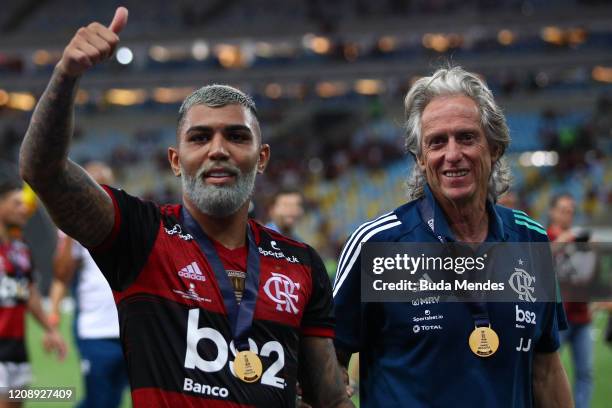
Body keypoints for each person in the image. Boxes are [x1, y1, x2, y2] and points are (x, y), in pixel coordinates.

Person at [19, 7, 352, 408]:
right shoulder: (142, 235)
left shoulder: (302, 264)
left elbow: (329, 399)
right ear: (176, 160)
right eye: (200, 137)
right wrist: (66, 75)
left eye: (235, 136)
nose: (217, 150)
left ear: (261, 158)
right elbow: (43, 172)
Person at [332, 66, 572, 407]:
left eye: (467, 137)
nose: (452, 154)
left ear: (495, 148)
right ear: (419, 159)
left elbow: (545, 370)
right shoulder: (378, 244)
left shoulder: (530, 240)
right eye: (437, 142)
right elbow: (326, 357)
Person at [48, 161, 128, 408]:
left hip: (129, 329)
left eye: (103, 183)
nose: (98, 191)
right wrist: (72, 230)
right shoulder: (75, 229)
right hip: (95, 331)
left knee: (115, 399)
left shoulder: (130, 223)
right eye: (91, 184)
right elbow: (61, 274)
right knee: (98, 401)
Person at [0, 175, 66, 408]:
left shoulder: (21, 248)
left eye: (26, 205)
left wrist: (50, 329)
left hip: (17, 348)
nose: (24, 209)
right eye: (16, 203)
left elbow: (29, 293)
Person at [548, 193, 593, 408]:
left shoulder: (579, 241)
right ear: (553, 212)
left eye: (571, 211)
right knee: (546, 369)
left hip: (582, 315)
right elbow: (536, 266)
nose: (568, 215)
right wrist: (558, 243)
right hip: (558, 316)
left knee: (585, 372)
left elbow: (588, 276)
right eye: (564, 210)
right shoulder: (544, 236)